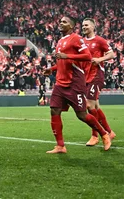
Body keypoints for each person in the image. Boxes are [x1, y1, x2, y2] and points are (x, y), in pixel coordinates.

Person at [43, 16, 111, 154]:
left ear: (72, 26)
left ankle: (104, 134)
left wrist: (66, 56)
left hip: (74, 83)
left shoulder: (76, 38)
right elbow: (64, 61)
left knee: (81, 114)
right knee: (54, 110)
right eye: (60, 21)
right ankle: (60, 146)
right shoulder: (61, 41)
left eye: (64, 22)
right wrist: (53, 69)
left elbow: (86, 56)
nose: (61, 24)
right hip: (60, 83)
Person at [82, 18, 116, 146]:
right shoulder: (82, 42)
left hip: (96, 75)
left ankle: (95, 135)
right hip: (85, 76)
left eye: (86, 25)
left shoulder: (99, 40)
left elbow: (112, 54)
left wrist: (99, 59)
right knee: (95, 106)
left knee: (89, 106)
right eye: (82, 25)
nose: (84, 27)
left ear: (93, 26)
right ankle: (109, 131)